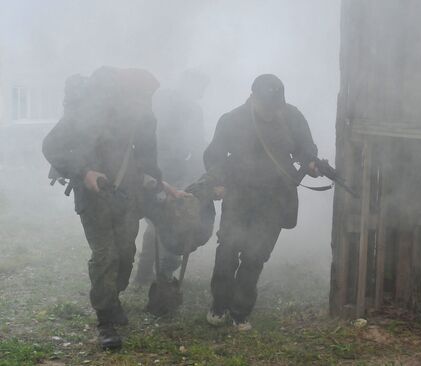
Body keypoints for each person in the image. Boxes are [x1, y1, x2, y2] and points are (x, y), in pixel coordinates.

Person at [42, 67, 176, 350]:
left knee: (126, 253)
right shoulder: (91, 110)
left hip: (127, 194)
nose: (143, 104)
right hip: (93, 194)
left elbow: (147, 158)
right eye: (138, 98)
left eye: (147, 99)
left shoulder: (144, 117)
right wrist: (85, 171)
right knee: (106, 255)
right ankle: (105, 320)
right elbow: (52, 146)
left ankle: (112, 299)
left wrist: (159, 183)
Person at [203, 74, 320, 331]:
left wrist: (310, 162)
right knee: (227, 251)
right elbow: (215, 156)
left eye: (275, 106)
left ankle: (240, 311)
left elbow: (305, 148)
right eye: (266, 106)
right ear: (252, 97)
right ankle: (220, 304)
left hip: (276, 198)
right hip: (240, 195)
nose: (271, 112)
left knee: (256, 255)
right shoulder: (232, 120)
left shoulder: (292, 116)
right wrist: (218, 182)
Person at [134, 70, 209, 284]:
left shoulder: (160, 101)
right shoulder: (190, 109)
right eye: (200, 89)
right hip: (169, 170)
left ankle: (145, 273)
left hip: (154, 167)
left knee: (156, 222)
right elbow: (195, 146)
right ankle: (163, 275)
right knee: (172, 221)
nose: (202, 94)